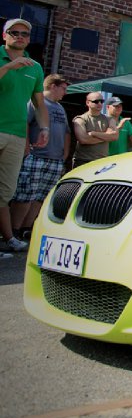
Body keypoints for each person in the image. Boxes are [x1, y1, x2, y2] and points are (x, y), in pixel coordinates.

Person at [0, 18, 49, 254]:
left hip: (17, 135)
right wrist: (9, 67)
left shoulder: (36, 67)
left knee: (6, 191)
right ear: (5, 35)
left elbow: (39, 103)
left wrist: (44, 128)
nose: (20, 36)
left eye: (25, 34)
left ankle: (7, 238)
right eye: (14, 32)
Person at [11, 73, 71, 241]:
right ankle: (13, 230)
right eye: (63, 89)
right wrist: (26, 150)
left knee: (41, 197)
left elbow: (66, 131)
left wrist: (65, 154)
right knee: (25, 195)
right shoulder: (36, 102)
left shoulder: (60, 107)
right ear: (53, 86)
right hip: (36, 156)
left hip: (55, 159)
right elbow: (24, 124)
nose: (65, 93)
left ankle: (26, 228)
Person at [72, 93, 117, 167]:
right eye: (96, 101)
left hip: (102, 162)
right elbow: (83, 139)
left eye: (102, 101)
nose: (99, 104)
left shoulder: (109, 119)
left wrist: (94, 134)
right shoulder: (80, 119)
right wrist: (106, 137)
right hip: (83, 160)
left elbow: (114, 136)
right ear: (88, 103)